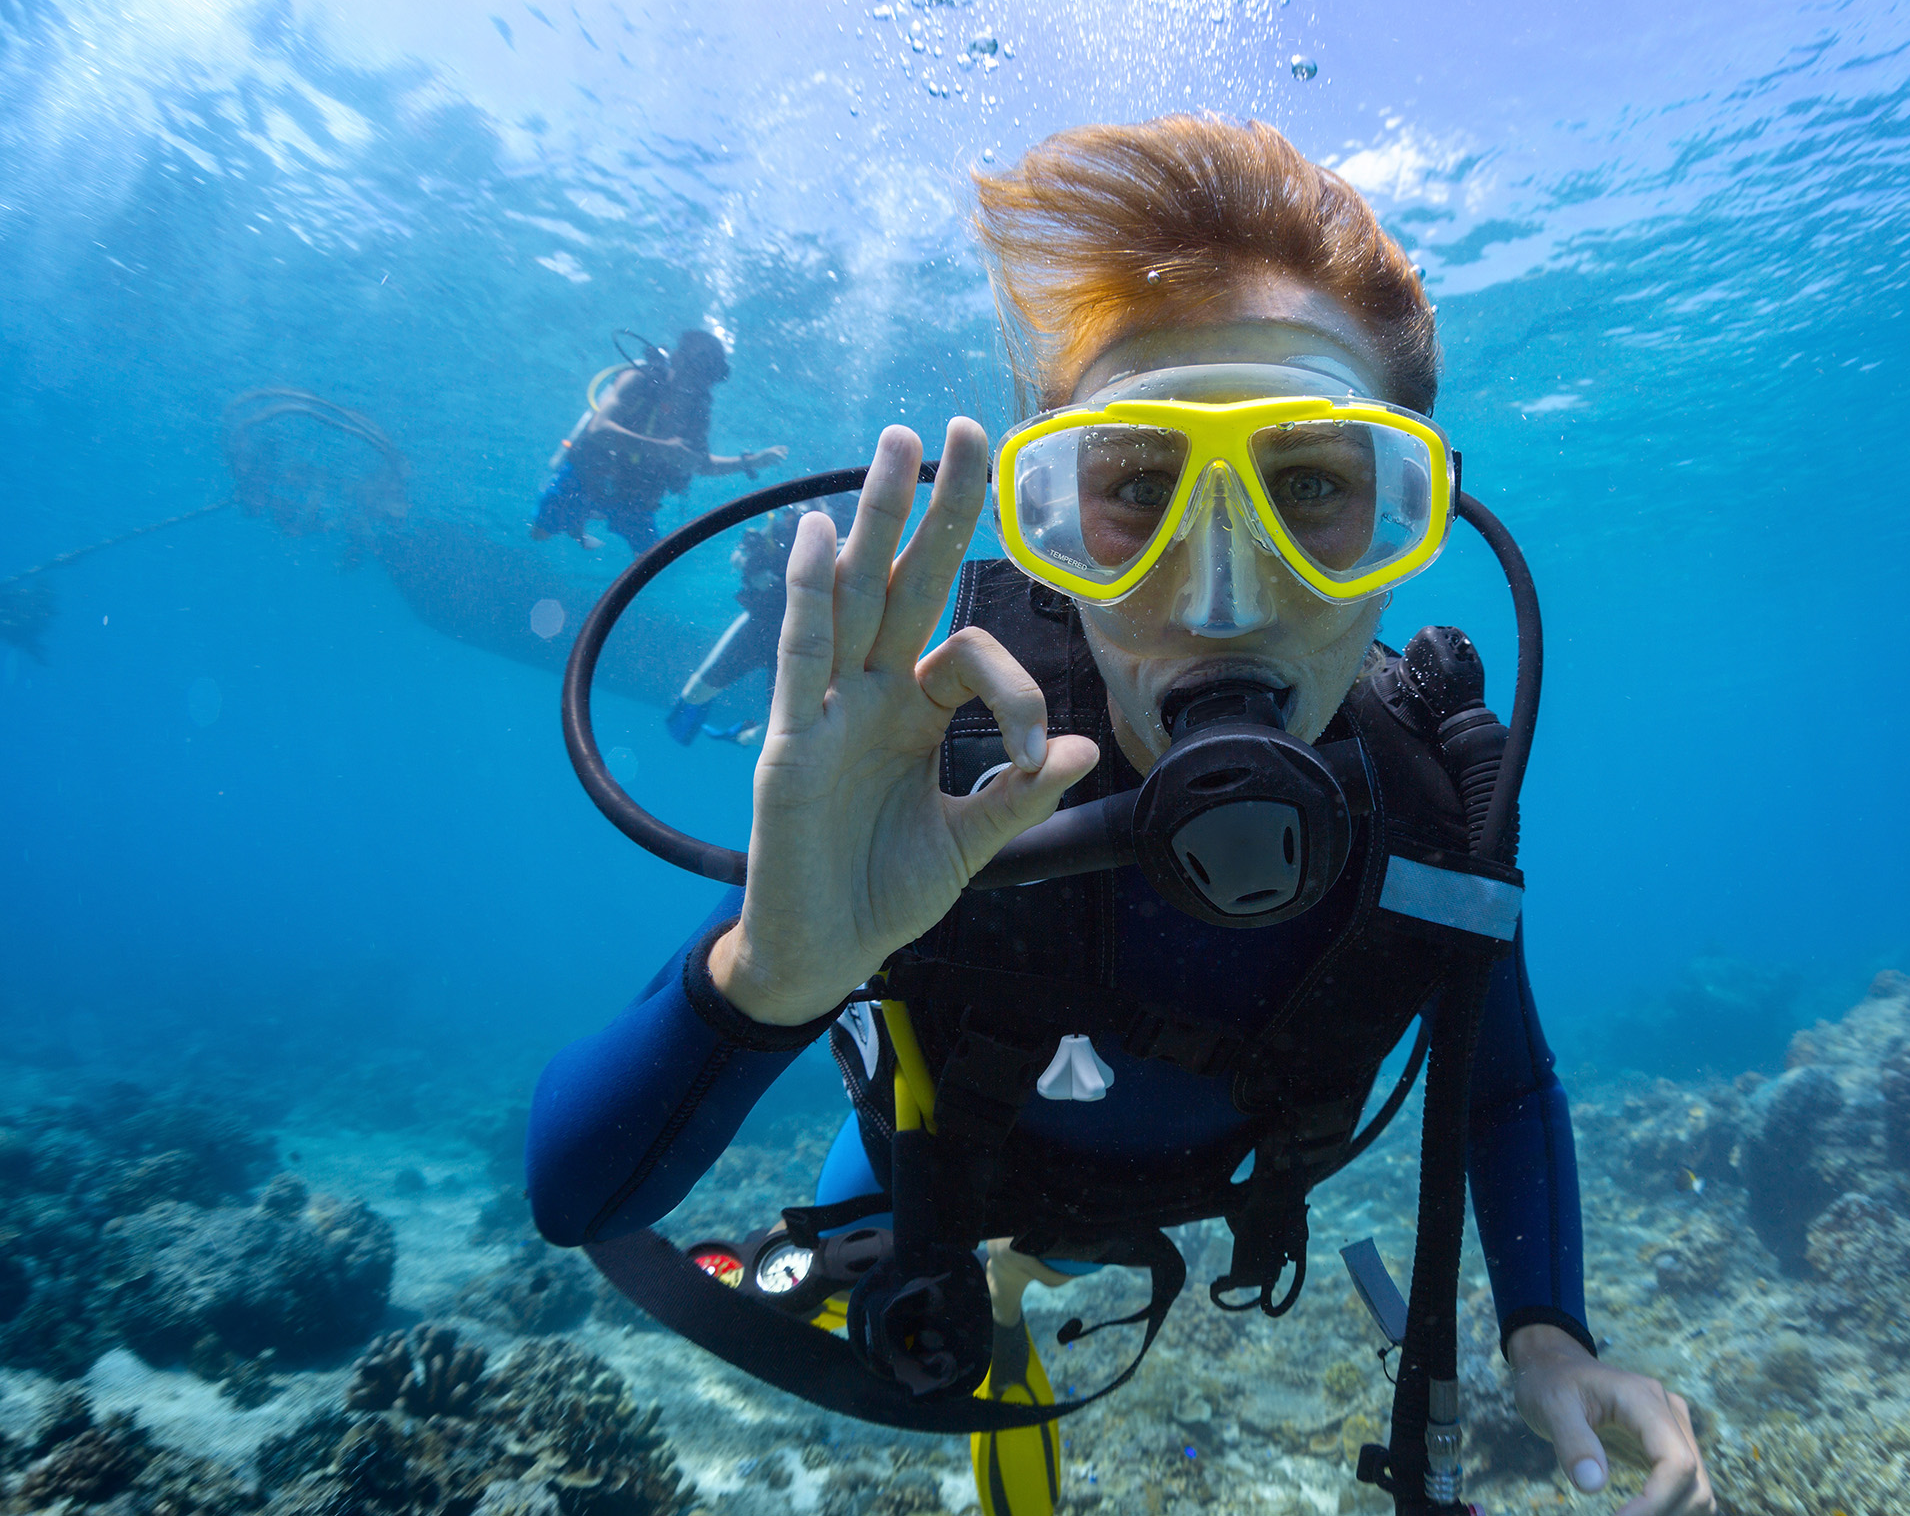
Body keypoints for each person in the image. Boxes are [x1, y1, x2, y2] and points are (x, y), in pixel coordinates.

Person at [526, 118, 1715, 1516]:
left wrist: (1548, 1328)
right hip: (949, 1167)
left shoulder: (1431, 812)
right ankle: (971, 1267)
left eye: (1317, 487)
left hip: (1216, 1183)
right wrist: (768, 975)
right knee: (882, 1266)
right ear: (1055, 529)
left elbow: (1506, 1083)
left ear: (1412, 525)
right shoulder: (949, 767)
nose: (1222, 596)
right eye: (1138, 490)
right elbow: (577, 1200)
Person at [530, 329, 788, 553]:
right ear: (676, 356)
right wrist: (662, 449)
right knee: (539, 533)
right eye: (696, 362)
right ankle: (578, 522)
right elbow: (598, 429)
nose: (698, 375)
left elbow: (700, 464)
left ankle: (581, 520)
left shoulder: (698, 412)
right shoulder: (640, 379)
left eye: (709, 370)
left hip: (636, 500)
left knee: (651, 563)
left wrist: (750, 462)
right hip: (588, 479)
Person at [665, 496, 858, 746]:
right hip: (760, 625)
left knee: (778, 730)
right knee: (694, 694)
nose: (794, 514)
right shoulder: (778, 530)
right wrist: (749, 566)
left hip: (804, 640)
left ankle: (740, 736)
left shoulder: (844, 540)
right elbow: (741, 557)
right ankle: (693, 726)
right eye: (792, 511)